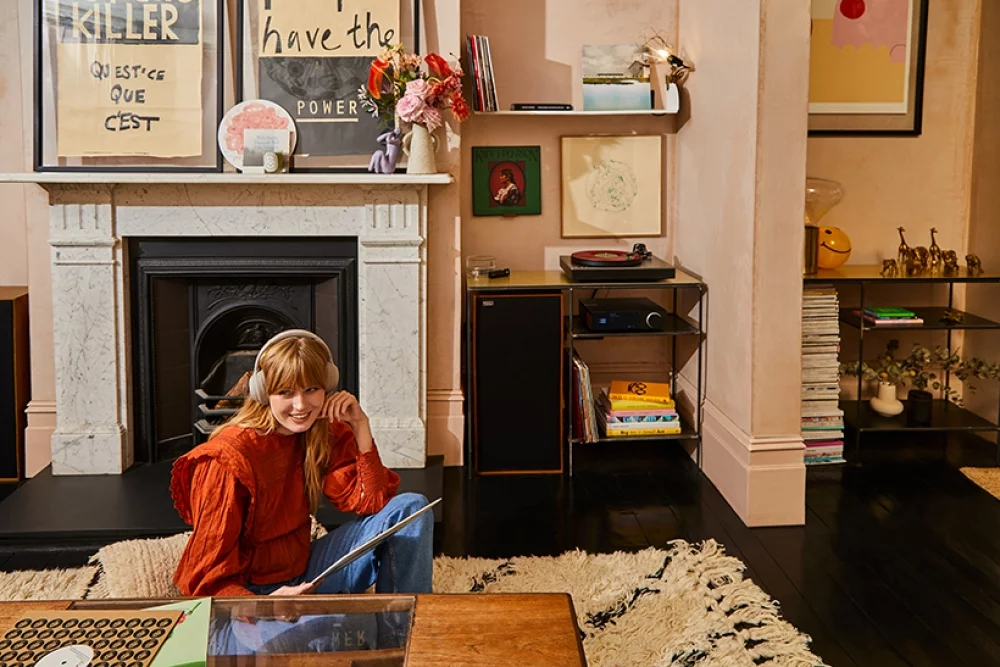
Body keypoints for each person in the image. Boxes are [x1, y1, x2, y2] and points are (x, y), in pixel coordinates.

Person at [170, 329, 433, 602]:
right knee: (329, 635)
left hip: (305, 569)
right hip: (253, 592)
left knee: (413, 509)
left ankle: (409, 630)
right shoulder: (226, 459)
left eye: (311, 389)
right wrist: (263, 604)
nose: (301, 405)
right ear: (264, 393)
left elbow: (372, 502)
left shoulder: (322, 431)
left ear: (326, 386)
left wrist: (360, 426)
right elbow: (205, 573)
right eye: (285, 392)